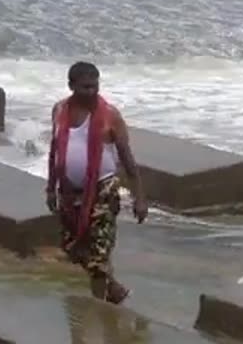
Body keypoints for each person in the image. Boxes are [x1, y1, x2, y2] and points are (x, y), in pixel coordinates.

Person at [46, 62, 147, 304]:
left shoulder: (109, 115)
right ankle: (113, 290)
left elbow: (127, 159)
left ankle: (100, 308)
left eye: (95, 86)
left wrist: (140, 198)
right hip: (69, 192)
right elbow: (55, 151)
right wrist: (51, 188)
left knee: (99, 255)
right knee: (73, 248)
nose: (91, 92)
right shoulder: (59, 110)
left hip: (103, 189)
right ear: (71, 86)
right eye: (85, 87)